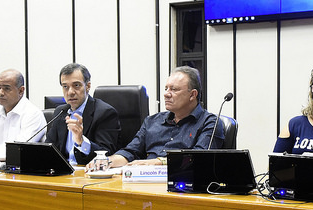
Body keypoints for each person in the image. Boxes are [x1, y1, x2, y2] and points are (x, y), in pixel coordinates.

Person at [95, 66, 223, 169]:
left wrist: (158, 162)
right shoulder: (152, 121)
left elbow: (199, 159)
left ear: (192, 95)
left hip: (181, 185)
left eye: (174, 89)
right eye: (166, 88)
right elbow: (131, 152)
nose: (166, 94)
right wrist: (107, 161)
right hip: (144, 182)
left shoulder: (210, 123)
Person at [45, 63, 120, 166]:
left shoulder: (105, 113)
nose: (70, 92)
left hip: (88, 173)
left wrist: (81, 141)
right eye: (65, 86)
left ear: (88, 86)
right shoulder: (60, 112)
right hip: (63, 174)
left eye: (76, 85)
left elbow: (106, 154)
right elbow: (49, 148)